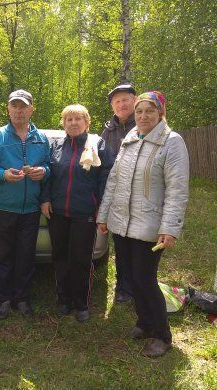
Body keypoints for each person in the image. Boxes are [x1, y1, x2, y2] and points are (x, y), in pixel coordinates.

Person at [97, 91, 189, 357]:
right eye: (139, 111)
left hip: (150, 225)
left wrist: (170, 227)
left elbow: (177, 189)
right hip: (122, 224)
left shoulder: (172, 142)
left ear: (161, 112)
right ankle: (145, 322)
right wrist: (104, 215)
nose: (143, 116)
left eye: (149, 111)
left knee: (145, 280)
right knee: (131, 278)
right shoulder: (130, 139)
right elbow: (113, 181)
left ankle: (162, 335)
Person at [0, 89, 50, 319]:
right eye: (14, 106)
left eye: (23, 106)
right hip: (3, 208)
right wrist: (3, 174)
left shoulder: (41, 138)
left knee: (26, 256)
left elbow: (50, 165)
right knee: (4, 255)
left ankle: (22, 298)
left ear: (31, 109)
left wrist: (43, 171)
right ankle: (4, 298)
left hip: (30, 210)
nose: (19, 110)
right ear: (8, 109)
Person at [40, 104, 113, 322]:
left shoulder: (97, 144)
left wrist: (101, 206)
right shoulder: (56, 146)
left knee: (81, 259)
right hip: (58, 212)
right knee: (60, 257)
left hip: (85, 212)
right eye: (68, 119)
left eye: (77, 119)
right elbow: (47, 176)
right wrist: (44, 198)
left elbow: (105, 178)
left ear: (86, 122)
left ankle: (81, 303)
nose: (73, 123)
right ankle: (64, 300)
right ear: (63, 123)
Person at [101, 84, 137, 303]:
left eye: (125, 100)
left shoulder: (145, 124)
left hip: (141, 197)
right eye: (117, 102)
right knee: (121, 244)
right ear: (113, 107)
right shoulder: (108, 131)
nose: (122, 104)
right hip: (117, 197)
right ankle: (123, 287)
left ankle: (141, 285)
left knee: (141, 245)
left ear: (134, 100)